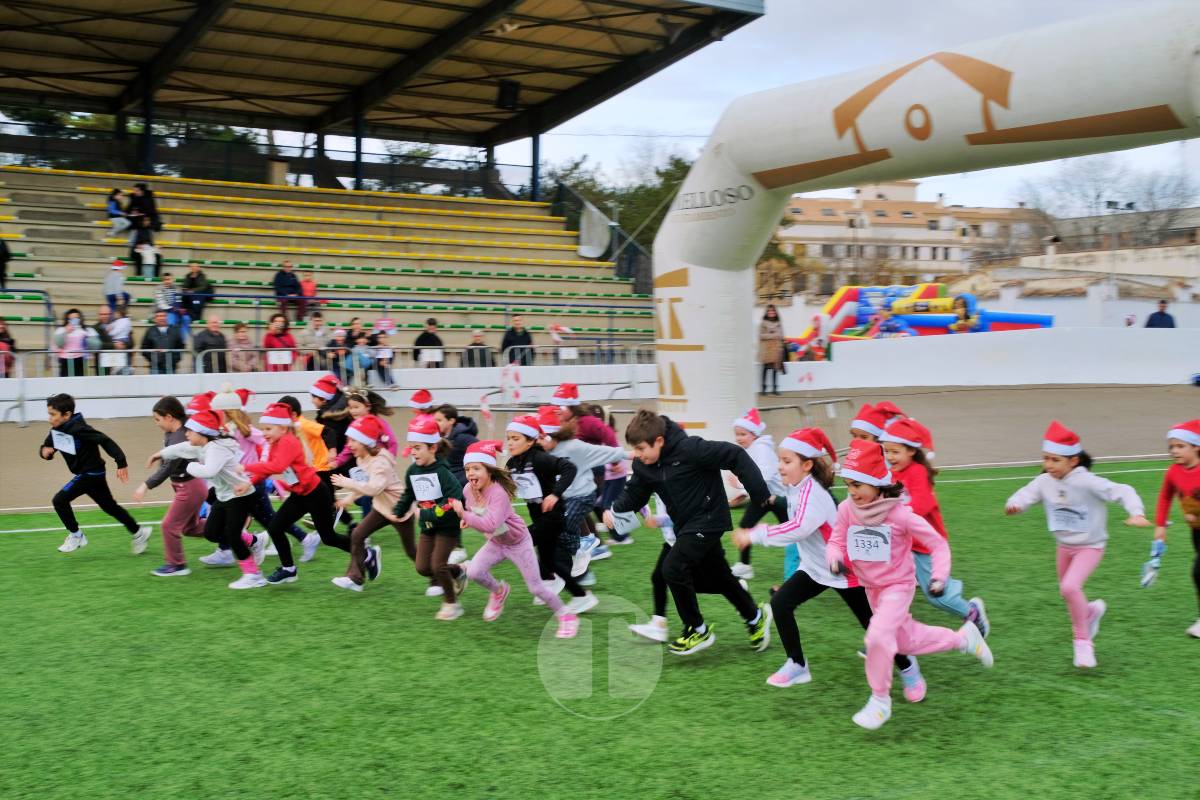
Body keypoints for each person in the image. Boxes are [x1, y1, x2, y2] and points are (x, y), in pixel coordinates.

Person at [732, 429, 920, 690]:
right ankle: (797, 665)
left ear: (807, 465)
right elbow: (795, 518)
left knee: (873, 626)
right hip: (815, 568)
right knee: (781, 603)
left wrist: (755, 534)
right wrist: (773, 503)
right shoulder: (798, 487)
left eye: (787, 461)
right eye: (780, 460)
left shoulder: (814, 494)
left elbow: (799, 528)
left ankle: (909, 668)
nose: (781, 467)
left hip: (843, 570)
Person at [827, 440, 994, 730]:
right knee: (906, 641)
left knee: (877, 637)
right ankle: (964, 639)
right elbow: (836, 540)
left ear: (877, 484)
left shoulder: (901, 515)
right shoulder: (846, 510)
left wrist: (938, 576)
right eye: (848, 484)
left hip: (898, 587)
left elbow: (937, 544)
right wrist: (834, 558)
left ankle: (879, 700)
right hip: (872, 590)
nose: (852, 491)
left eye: (858, 485)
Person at [604, 409, 773, 655]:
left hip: (709, 519)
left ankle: (697, 629)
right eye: (635, 450)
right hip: (685, 526)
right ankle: (755, 617)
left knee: (671, 569)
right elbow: (634, 493)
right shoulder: (645, 464)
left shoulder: (692, 449)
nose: (637, 455)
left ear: (659, 441)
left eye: (641, 449)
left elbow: (735, 455)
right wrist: (615, 510)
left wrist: (759, 494)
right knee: (720, 578)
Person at [1004, 421, 1149, 668]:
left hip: (1090, 546)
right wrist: (1015, 504)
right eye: (1046, 459)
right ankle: (1090, 612)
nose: (1048, 465)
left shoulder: (1087, 482)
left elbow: (1122, 490)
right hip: (1063, 546)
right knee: (1070, 594)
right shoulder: (1044, 481)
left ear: (1073, 461)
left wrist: (1136, 512)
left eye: (1055, 460)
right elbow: (1025, 494)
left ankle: (1083, 644)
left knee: (1070, 588)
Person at [442, 441, 579, 638]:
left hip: (518, 542)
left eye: (476, 468)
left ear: (489, 470)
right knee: (473, 572)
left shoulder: (499, 493)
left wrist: (463, 515)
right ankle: (499, 591)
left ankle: (566, 616)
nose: (470, 473)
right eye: (467, 469)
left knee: (536, 588)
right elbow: (477, 514)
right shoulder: (467, 491)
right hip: (497, 542)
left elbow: (489, 523)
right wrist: (468, 519)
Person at [879, 418, 990, 636]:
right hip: (904, 543)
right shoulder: (893, 473)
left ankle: (972, 612)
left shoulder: (917, 471)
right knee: (890, 587)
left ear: (911, 451)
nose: (890, 457)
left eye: (895, 451)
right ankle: (885, 632)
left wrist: (894, 519)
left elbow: (922, 504)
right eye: (887, 452)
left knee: (937, 598)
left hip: (925, 545)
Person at [240, 402, 353, 586]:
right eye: (263, 429)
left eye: (268, 428)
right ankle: (288, 569)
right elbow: (268, 469)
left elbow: (277, 467)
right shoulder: (276, 442)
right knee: (275, 527)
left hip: (315, 493)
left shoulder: (287, 441)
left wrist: (244, 467)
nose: (265, 433)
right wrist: (249, 483)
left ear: (283, 428)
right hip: (300, 494)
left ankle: (364, 551)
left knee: (328, 537)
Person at [155, 408, 269, 589]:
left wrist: (190, 467)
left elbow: (209, 471)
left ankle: (254, 575)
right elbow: (182, 448)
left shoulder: (217, 449)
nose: (187, 433)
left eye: (190, 431)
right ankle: (254, 541)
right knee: (211, 533)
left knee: (232, 536)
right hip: (224, 496)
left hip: (240, 494)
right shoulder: (202, 445)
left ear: (203, 433)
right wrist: (161, 454)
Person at [504, 414, 593, 614]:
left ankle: (552, 581)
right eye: (508, 438)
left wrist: (555, 494)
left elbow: (569, 467)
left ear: (530, 441)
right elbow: (505, 486)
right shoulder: (512, 463)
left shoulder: (540, 458)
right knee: (550, 560)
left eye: (515, 438)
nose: (510, 442)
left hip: (553, 517)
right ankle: (580, 595)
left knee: (518, 542)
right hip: (540, 518)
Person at [41, 392, 150, 554]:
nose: (49, 418)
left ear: (67, 415)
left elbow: (104, 440)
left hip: (90, 473)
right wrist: (45, 452)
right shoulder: (56, 430)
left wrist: (121, 462)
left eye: (53, 414)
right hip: (92, 474)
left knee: (59, 500)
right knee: (109, 507)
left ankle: (76, 535)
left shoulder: (79, 428)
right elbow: (46, 446)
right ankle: (139, 532)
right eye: (48, 414)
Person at [538, 409, 626, 588]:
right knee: (574, 520)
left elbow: (606, 442)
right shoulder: (547, 448)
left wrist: (625, 456)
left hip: (595, 479)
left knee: (603, 506)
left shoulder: (582, 430)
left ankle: (620, 535)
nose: (560, 412)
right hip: (575, 488)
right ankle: (593, 545)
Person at [328, 415, 412, 593]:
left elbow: (374, 489)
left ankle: (449, 572)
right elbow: (365, 484)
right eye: (348, 440)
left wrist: (348, 483)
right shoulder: (361, 459)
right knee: (357, 535)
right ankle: (356, 579)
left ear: (366, 442)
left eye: (353, 440)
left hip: (399, 510)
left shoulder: (380, 462)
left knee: (413, 554)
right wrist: (349, 498)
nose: (348, 445)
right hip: (381, 508)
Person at [132, 396, 206, 577]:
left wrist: (145, 485)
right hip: (187, 487)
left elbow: (167, 467)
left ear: (169, 417)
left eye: (158, 419)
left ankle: (177, 565)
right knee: (191, 528)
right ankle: (236, 533)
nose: (156, 423)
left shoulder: (180, 437)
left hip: (190, 488)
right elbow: (166, 463)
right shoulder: (171, 434)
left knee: (168, 526)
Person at [726, 407, 789, 581]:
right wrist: (743, 492)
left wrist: (740, 487)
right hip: (762, 497)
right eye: (737, 434)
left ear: (754, 434)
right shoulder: (750, 449)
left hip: (779, 498)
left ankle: (811, 562)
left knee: (793, 533)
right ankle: (745, 566)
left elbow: (764, 477)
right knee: (745, 526)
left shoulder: (762, 449)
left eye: (743, 434)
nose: (739, 438)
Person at [1152, 419, 1200, 637]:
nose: (1174, 451)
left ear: (1196, 447)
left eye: (1180, 446)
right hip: (1196, 532)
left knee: (1198, 572)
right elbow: (1164, 498)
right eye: (1171, 446)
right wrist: (1160, 526)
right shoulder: (1173, 472)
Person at [433, 404, 478, 487]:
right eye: (435, 420)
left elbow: (480, 452)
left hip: (461, 487)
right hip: (446, 484)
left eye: (439, 420)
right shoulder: (439, 438)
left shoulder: (463, 437)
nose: (435, 423)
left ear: (451, 421)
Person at [53, 308, 100, 377]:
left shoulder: (88, 330)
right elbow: (59, 343)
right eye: (71, 319)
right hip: (65, 360)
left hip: (81, 360)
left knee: (80, 381)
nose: (74, 321)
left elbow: (96, 345)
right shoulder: (61, 330)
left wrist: (86, 338)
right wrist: (66, 332)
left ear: (80, 319)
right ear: (67, 320)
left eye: (76, 318)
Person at [141, 310, 184, 375]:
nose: (161, 318)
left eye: (163, 316)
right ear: (155, 319)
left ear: (167, 317)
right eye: (158, 316)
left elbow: (180, 346)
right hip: (155, 368)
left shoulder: (175, 330)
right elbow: (144, 348)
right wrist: (153, 359)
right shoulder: (150, 331)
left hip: (171, 367)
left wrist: (174, 360)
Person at [759, 304, 786, 395]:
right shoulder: (763, 323)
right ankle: (763, 389)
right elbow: (761, 336)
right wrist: (773, 335)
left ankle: (775, 389)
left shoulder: (779, 323)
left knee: (775, 369)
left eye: (773, 311)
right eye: (769, 311)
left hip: (776, 348)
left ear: (775, 312)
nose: (771, 312)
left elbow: (781, 335)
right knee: (765, 369)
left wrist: (781, 347)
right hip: (766, 349)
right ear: (767, 312)